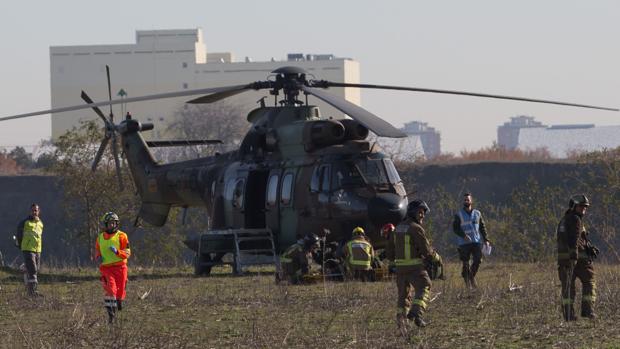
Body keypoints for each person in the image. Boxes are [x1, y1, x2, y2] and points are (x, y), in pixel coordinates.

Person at [387, 200, 441, 328]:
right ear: (413, 212)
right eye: (420, 212)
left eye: (423, 213)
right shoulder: (416, 228)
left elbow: (389, 254)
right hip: (415, 267)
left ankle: (402, 323)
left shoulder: (397, 228)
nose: (422, 215)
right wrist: (437, 257)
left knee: (403, 296)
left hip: (400, 269)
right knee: (425, 286)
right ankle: (416, 313)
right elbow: (426, 251)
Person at [557, 194, 597, 321]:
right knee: (589, 282)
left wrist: (589, 246)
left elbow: (575, 238)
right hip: (578, 260)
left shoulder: (564, 219)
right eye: (581, 207)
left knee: (568, 288)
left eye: (585, 207)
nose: (583, 209)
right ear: (573, 206)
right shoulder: (575, 219)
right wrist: (574, 255)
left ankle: (569, 316)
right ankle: (587, 311)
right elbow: (573, 239)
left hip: (564, 260)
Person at [95, 212, 131, 324]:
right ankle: (111, 315)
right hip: (106, 268)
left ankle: (119, 301)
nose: (112, 225)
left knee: (120, 293)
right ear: (106, 224)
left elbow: (127, 253)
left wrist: (117, 252)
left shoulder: (122, 236)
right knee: (111, 290)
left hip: (121, 267)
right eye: (110, 223)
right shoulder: (100, 237)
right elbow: (97, 250)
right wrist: (97, 256)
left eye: (114, 223)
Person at [452, 193, 490, 289]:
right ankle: (468, 285)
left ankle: (471, 276)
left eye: (468, 200)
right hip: (464, 243)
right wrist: (464, 236)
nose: (466, 201)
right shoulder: (459, 214)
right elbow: (455, 228)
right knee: (465, 263)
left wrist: (486, 240)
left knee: (478, 260)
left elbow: (482, 227)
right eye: (465, 200)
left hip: (476, 241)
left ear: (471, 201)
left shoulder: (477, 213)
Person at [15, 203, 44, 297]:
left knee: (36, 269)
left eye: (36, 210)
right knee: (33, 270)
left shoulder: (40, 224)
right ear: (30, 211)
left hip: (37, 250)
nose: (34, 212)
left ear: (39, 211)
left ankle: (24, 267)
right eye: (32, 210)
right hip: (27, 248)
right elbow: (19, 234)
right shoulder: (25, 222)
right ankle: (32, 292)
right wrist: (20, 244)